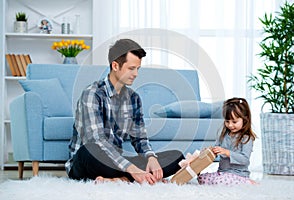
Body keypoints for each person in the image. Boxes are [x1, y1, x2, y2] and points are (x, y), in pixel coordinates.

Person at [65, 38, 184, 184]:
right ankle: (130, 176)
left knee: (177, 158)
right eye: (131, 68)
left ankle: (118, 179)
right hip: (90, 161)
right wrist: (132, 168)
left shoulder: (133, 98)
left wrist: (150, 157)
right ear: (115, 65)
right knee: (90, 150)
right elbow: (96, 140)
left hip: (117, 163)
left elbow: (139, 137)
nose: (136, 74)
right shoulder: (92, 94)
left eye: (137, 69)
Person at [197, 97, 257, 185]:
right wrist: (208, 152)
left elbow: (245, 160)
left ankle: (246, 182)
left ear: (245, 119)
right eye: (227, 121)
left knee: (218, 182)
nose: (230, 125)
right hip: (222, 172)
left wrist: (227, 152)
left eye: (234, 122)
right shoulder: (223, 135)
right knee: (201, 179)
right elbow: (216, 150)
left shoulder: (246, 138)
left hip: (238, 174)